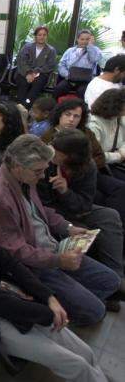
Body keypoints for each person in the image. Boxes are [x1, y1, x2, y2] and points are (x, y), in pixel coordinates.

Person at [0, 186, 109, 382]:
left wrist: (48, 297)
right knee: (77, 365)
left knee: (86, 353)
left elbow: (11, 263)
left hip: (7, 305)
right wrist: (46, 313)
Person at [0, 134, 120, 326]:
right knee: (95, 312)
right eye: (38, 172)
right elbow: (15, 251)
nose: (42, 177)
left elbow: (41, 210)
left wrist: (67, 227)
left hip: (51, 249)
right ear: (18, 167)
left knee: (111, 281)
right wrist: (58, 260)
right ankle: (52, 304)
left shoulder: (24, 178)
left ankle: (70, 297)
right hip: (33, 266)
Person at [37, 129, 125, 310]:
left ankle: (116, 280)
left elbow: (84, 204)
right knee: (80, 229)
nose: (52, 153)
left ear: (71, 157)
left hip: (76, 207)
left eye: (58, 152)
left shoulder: (88, 167)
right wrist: (68, 212)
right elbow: (44, 205)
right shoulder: (46, 164)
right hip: (54, 212)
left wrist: (65, 192)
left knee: (110, 216)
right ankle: (104, 285)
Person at [42, 97, 125, 236]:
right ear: (59, 115)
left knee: (119, 190)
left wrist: (80, 163)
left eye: (76, 116)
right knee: (99, 199)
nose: (71, 119)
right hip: (64, 188)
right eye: (68, 114)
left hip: (87, 171)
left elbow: (99, 156)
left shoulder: (85, 133)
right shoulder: (47, 139)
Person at [15, 26, 57, 108]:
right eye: (39, 35)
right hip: (24, 72)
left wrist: (36, 72)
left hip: (41, 74)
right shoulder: (27, 47)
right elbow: (21, 61)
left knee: (37, 83)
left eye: (44, 35)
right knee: (22, 82)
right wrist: (28, 73)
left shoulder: (51, 50)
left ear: (47, 36)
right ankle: (22, 107)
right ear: (35, 36)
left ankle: (25, 106)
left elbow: (50, 65)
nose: (42, 37)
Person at [54, 30, 102, 101]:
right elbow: (61, 64)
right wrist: (67, 75)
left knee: (82, 92)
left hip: (85, 81)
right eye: (82, 39)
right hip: (69, 78)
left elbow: (94, 59)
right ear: (78, 39)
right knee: (59, 89)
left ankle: (82, 108)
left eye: (87, 39)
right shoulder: (70, 51)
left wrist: (90, 46)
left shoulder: (95, 50)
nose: (84, 41)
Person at [89, 88, 125, 180]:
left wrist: (123, 152)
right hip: (103, 167)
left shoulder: (120, 117)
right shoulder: (94, 125)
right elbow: (95, 156)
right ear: (115, 107)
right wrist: (118, 156)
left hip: (119, 161)